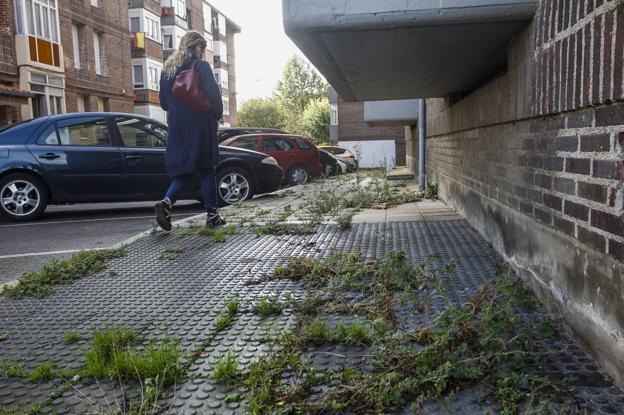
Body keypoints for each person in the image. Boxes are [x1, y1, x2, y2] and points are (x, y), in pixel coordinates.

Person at [155, 31, 225, 231]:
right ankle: (212, 216)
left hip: (177, 126)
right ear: (195, 47)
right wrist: (215, 115)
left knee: (185, 169)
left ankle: (167, 203)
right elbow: (214, 96)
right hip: (201, 123)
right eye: (201, 48)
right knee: (206, 168)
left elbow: (164, 103)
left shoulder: (167, 70)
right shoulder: (201, 67)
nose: (202, 52)